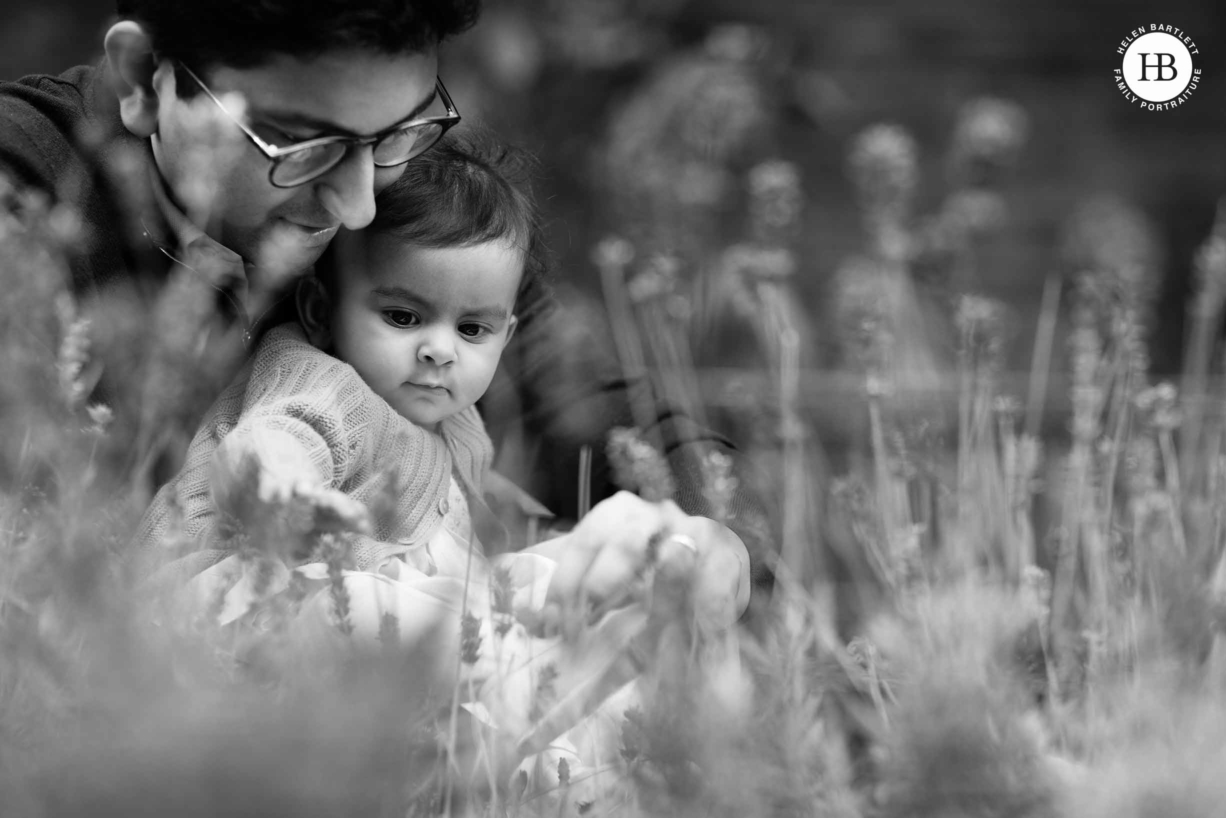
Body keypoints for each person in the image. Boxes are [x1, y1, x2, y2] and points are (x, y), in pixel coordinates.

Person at [0, 0, 762, 632]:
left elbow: (590, 404)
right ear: (141, 78)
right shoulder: (27, 199)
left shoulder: (403, 180)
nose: (360, 203)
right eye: (299, 147)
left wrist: (710, 533)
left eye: (396, 134)